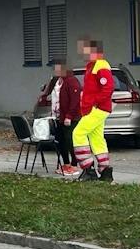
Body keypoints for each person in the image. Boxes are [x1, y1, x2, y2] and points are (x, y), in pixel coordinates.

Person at [73, 37, 116, 181]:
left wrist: (94, 103)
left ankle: (88, 168)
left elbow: (108, 87)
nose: (83, 54)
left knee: (78, 133)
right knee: (97, 139)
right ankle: (105, 171)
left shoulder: (100, 65)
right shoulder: (93, 66)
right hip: (96, 108)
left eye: (85, 50)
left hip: (96, 108)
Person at [48, 61, 81, 173]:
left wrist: (69, 116)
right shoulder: (58, 81)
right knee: (61, 141)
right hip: (58, 116)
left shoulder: (72, 81)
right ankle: (66, 164)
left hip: (70, 117)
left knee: (70, 140)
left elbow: (75, 100)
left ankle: (74, 164)